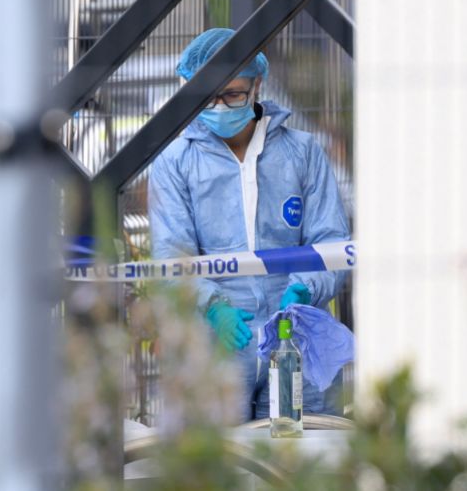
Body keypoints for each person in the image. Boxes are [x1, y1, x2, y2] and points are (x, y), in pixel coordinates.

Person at [148, 28, 350, 422]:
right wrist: (213, 307)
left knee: (303, 459)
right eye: (209, 97)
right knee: (219, 469)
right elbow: (172, 257)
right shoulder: (175, 162)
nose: (221, 106)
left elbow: (332, 242)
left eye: (234, 94)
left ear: (258, 85)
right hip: (217, 346)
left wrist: (304, 289)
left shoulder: (302, 153)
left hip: (295, 335)